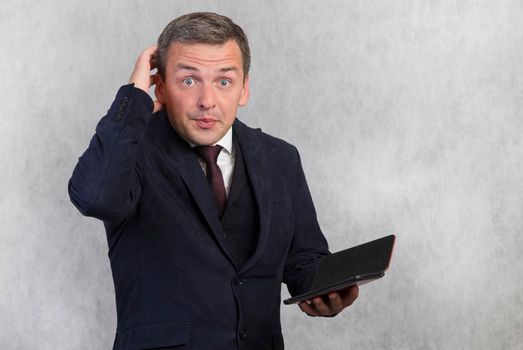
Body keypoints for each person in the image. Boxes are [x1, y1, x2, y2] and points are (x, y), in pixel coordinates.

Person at [68, 12, 358, 350]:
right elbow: (95, 197)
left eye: (224, 81)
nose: (207, 101)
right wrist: (134, 97)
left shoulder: (281, 158)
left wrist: (327, 288)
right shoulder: (131, 153)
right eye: (189, 80)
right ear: (160, 85)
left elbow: (303, 262)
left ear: (244, 88)